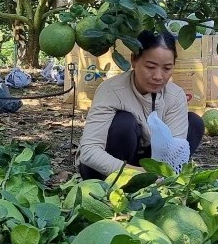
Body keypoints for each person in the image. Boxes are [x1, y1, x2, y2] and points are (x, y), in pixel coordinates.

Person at [76, 30, 204, 180]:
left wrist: (161, 176)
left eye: (167, 68)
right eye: (150, 67)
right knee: (124, 122)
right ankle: (115, 185)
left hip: (148, 165)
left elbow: (174, 152)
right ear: (134, 60)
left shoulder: (175, 96)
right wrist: (135, 174)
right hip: (105, 170)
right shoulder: (111, 90)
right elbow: (89, 151)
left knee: (194, 122)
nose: (158, 76)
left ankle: (154, 182)